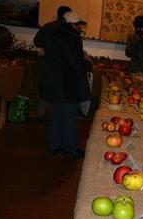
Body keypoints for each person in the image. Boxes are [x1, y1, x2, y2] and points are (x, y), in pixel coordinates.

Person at [41, 11, 91, 158]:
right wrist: (87, 64)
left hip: (55, 85)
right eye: (78, 25)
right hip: (68, 84)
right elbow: (75, 64)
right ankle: (71, 149)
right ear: (72, 25)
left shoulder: (54, 36)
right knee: (70, 118)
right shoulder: (72, 39)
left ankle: (54, 145)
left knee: (56, 116)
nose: (80, 28)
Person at [34, 5, 72, 118]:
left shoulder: (48, 26)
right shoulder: (69, 30)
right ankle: (56, 116)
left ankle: (40, 115)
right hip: (63, 65)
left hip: (48, 61)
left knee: (44, 88)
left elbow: (37, 42)